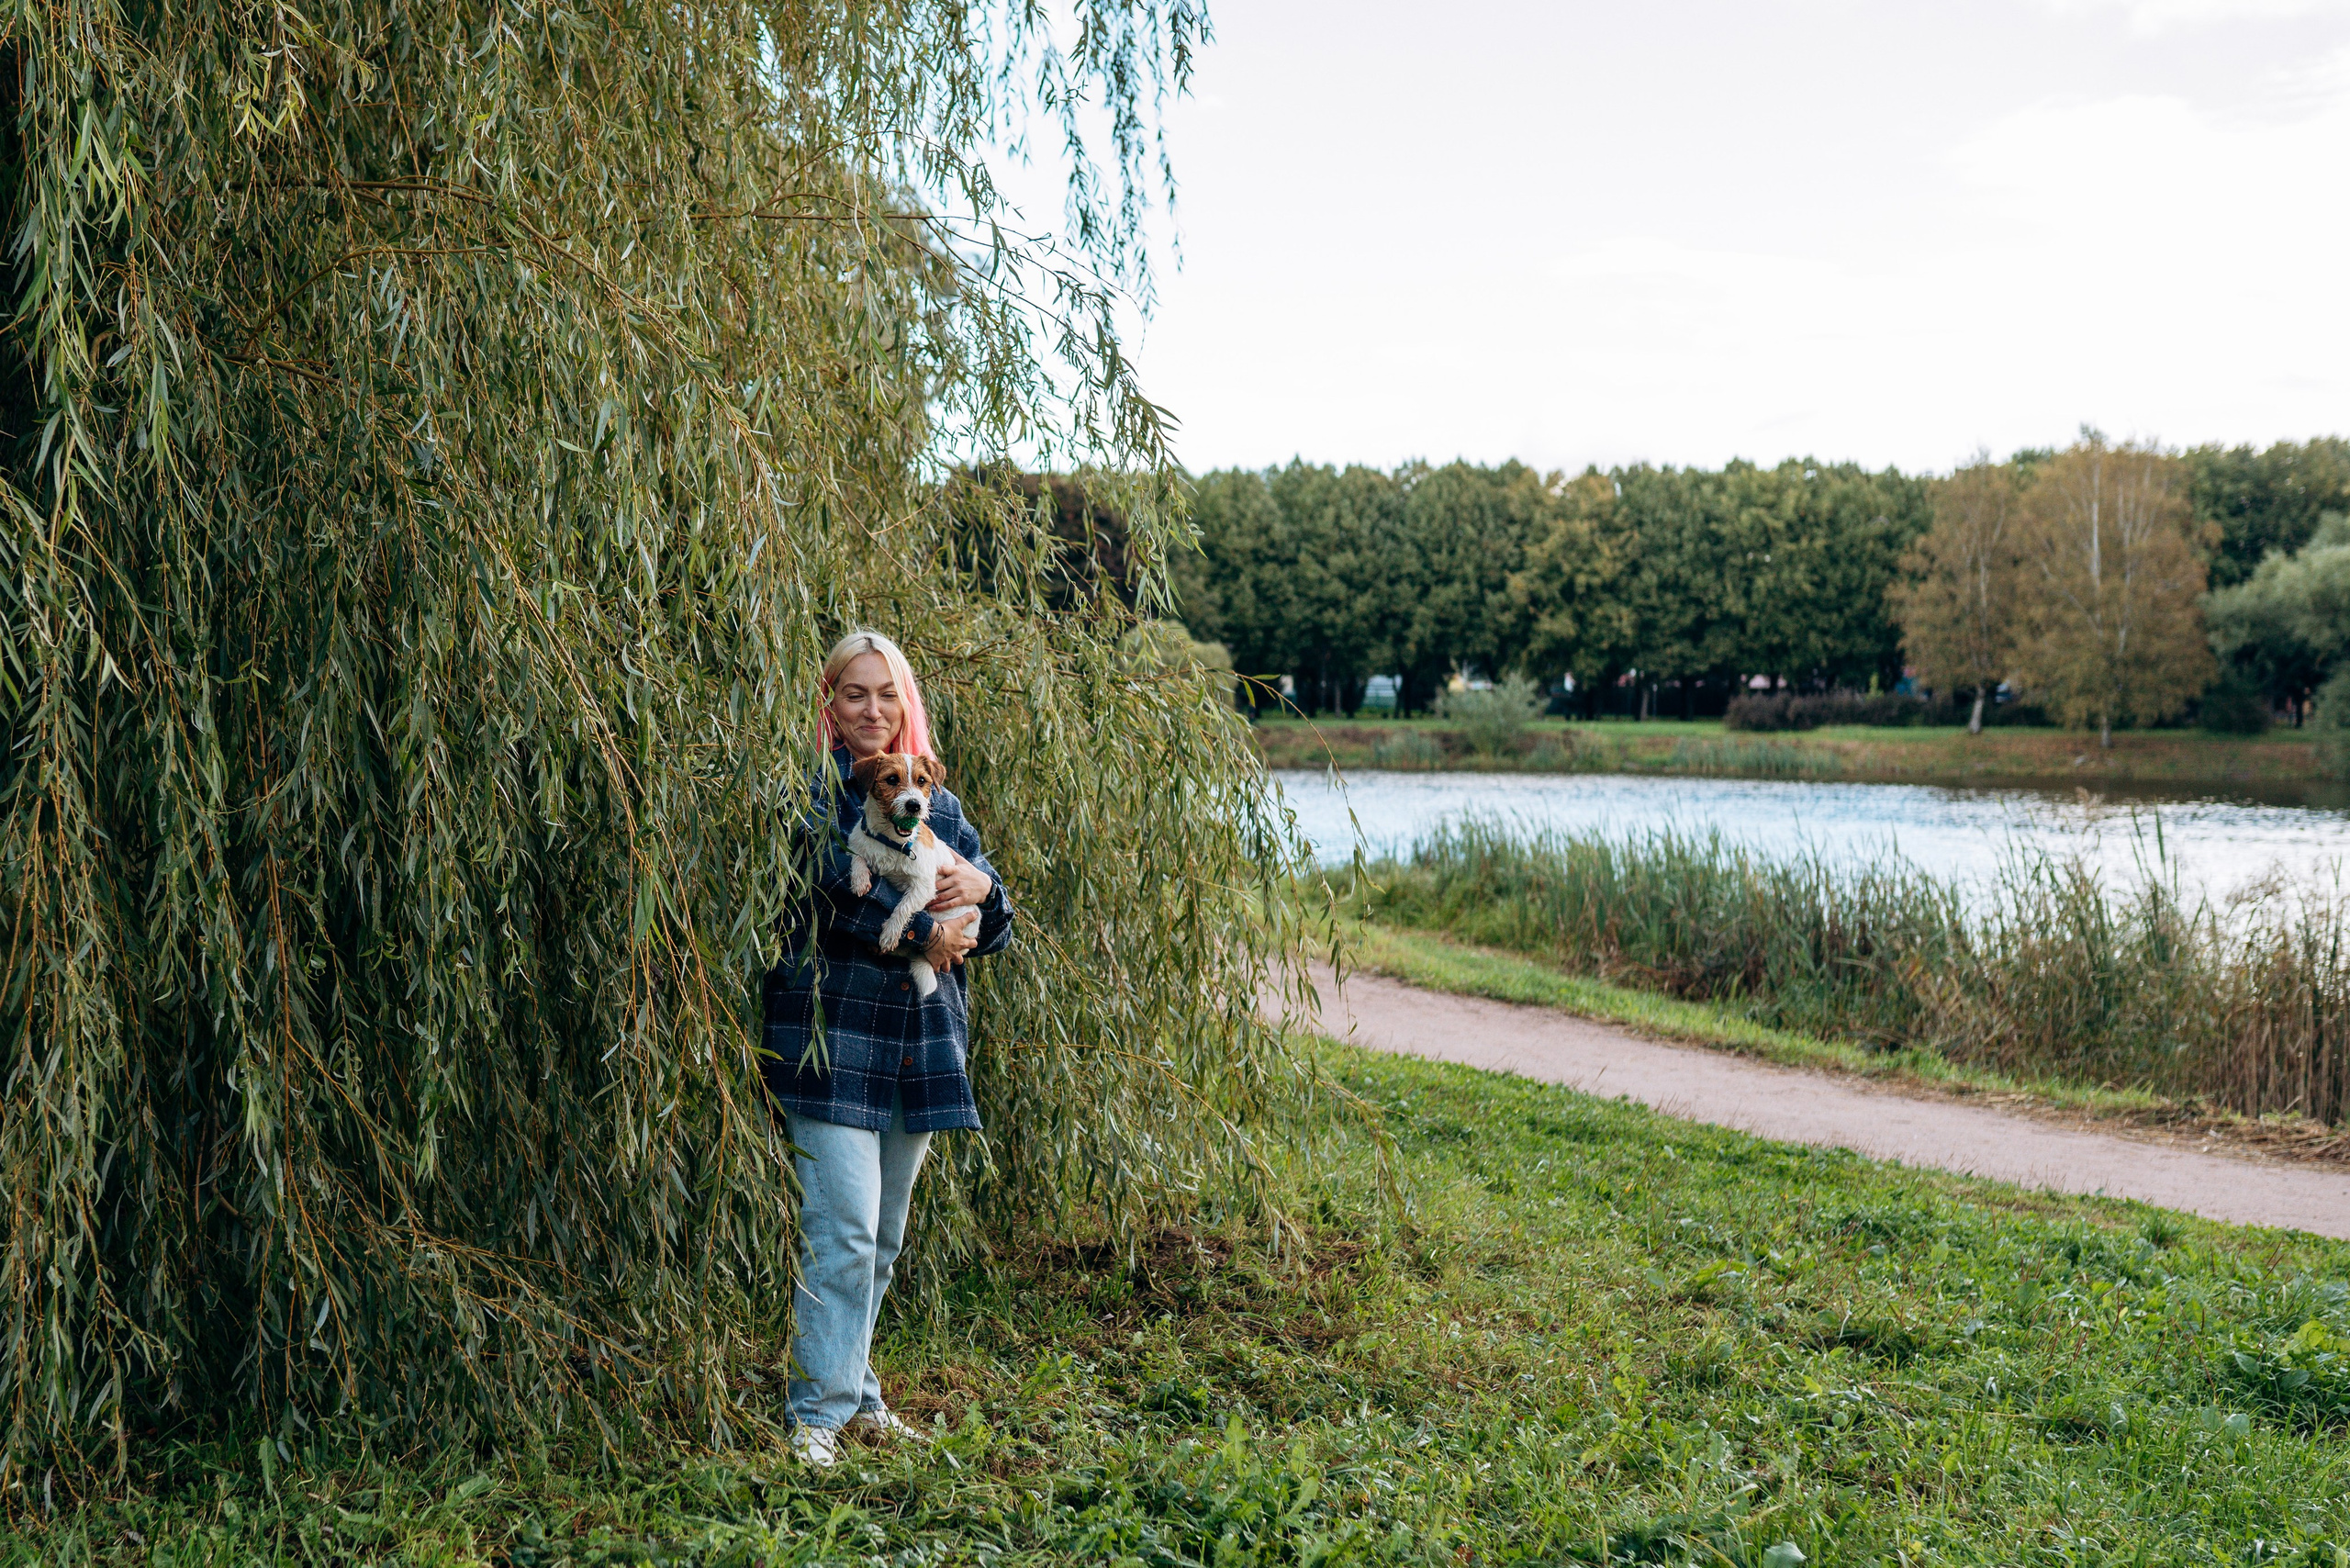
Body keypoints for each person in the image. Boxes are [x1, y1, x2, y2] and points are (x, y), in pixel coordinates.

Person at [762, 630, 1013, 1468]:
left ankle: (859, 1393)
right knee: (844, 1228)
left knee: (889, 1233)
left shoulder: (938, 804)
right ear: (828, 704)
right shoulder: (805, 796)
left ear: (906, 704)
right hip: (831, 1039)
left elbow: (991, 919)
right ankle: (817, 1415)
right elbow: (824, 903)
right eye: (854, 694)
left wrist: (986, 892)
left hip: (919, 1041)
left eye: (887, 694)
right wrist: (929, 934)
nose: (873, 711)